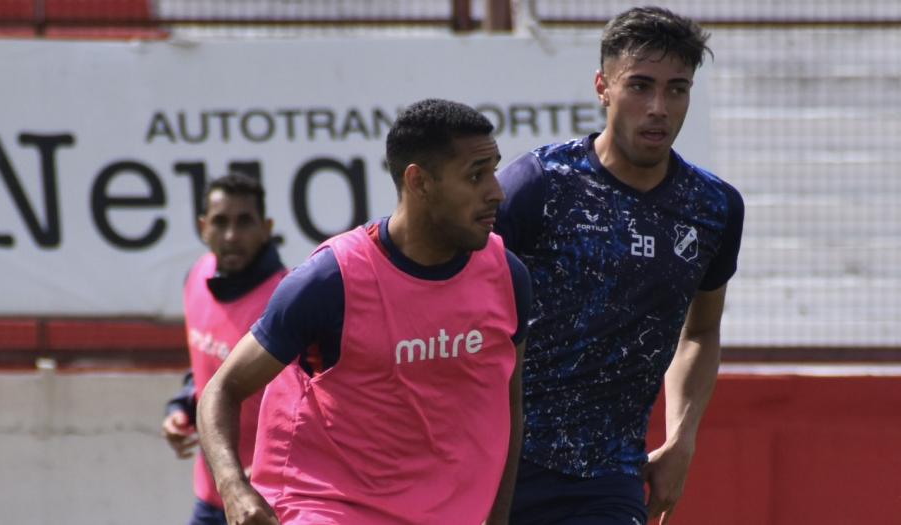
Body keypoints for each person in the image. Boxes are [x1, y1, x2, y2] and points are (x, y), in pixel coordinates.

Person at [197, 98, 533, 525]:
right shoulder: (329, 281)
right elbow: (220, 390)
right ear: (420, 182)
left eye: (493, 171)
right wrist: (233, 490)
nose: (496, 191)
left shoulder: (507, 276)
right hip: (327, 509)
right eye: (475, 176)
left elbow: (510, 403)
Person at [495, 7, 745, 525]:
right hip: (495, 462)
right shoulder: (538, 184)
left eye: (677, 89)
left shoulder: (714, 208)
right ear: (602, 86)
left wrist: (681, 441)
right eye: (640, 86)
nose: (658, 107)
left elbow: (700, 330)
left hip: (609, 481)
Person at [161, 173, 288, 525]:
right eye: (220, 222)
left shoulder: (287, 301)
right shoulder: (197, 277)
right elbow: (206, 371)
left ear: (266, 227)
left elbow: (313, 403)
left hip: (268, 502)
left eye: (244, 222)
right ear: (203, 227)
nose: (231, 235)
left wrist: (272, 467)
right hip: (211, 496)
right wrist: (183, 407)